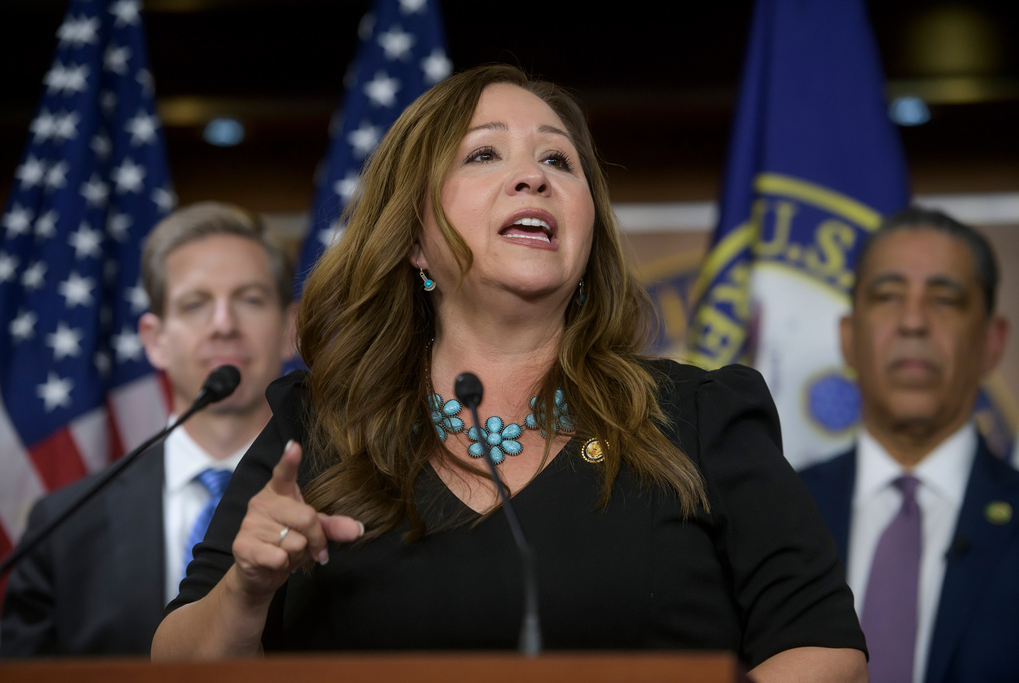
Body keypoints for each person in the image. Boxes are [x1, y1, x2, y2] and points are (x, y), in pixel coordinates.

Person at [151, 65, 867, 681]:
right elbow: (175, 663)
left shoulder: (700, 415)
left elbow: (825, 648)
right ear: (415, 243)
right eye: (484, 155)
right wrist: (247, 589)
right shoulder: (321, 426)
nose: (532, 175)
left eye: (559, 161)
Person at [0, 202, 298, 656]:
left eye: (250, 299)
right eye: (195, 304)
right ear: (154, 341)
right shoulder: (62, 528)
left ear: (288, 329)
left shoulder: (345, 498)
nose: (224, 325)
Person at [798, 207, 1016, 683]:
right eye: (888, 296)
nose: (913, 321)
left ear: (992, 342)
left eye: (945, 300)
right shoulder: (778, 513)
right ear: (849, 337)